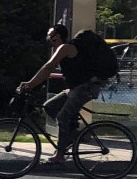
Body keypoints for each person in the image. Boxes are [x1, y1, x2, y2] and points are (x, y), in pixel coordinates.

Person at [18, 24, 102, 165]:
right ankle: (72, 135)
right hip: (77, 87)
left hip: (86, 88)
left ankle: (60, 155)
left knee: (62, 117)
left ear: (59, 37)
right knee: (50, 106)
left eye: (52, 38)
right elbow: (51, 71)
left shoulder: (65, 48)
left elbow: (47, 68)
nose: (50, 42)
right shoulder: (61, 49)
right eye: (48, 38)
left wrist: (30, 84)